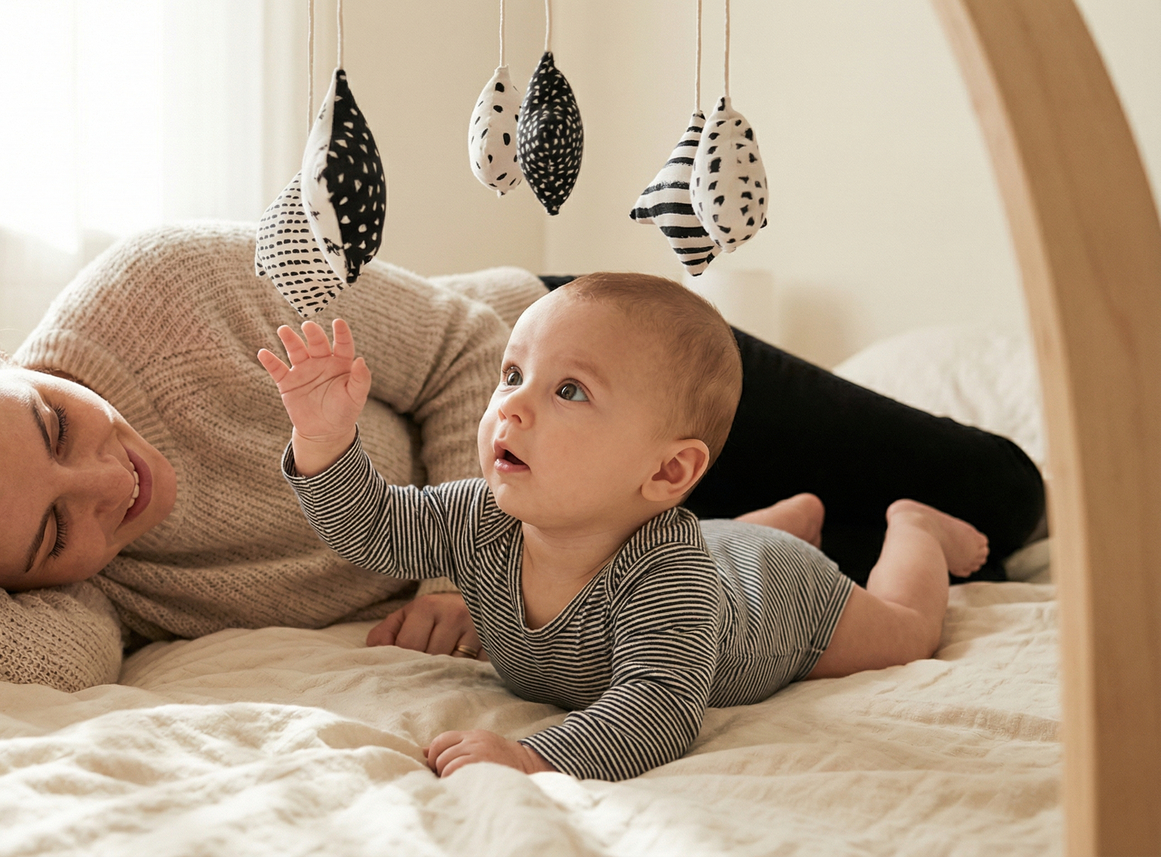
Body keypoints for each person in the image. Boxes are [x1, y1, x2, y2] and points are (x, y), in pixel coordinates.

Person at [0, 222, 1043, 693]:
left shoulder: (160, 292)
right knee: (743, 584)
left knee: (1004, 495)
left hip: (556, 358)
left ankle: (790, 519)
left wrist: (493, 522)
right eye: (52, 536)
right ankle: (768, 532)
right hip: (589, 540)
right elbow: (48, 664)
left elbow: (451, 344)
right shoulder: (82, 602)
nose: (114, 485)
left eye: (54, 424)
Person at [259, 273, 989, 781]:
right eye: (512, 373)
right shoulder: (478, 516)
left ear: (669, 474)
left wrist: (533, 756)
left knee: (904, 632)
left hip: (773, 593)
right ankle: (789, 517)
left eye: (568, 389)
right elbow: (374, 528)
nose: (511, 407)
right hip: (719, 547)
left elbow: (656, 710)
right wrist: (324, 440)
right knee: (719, 541)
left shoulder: (667, 578)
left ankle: (914, 529)